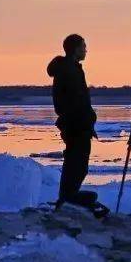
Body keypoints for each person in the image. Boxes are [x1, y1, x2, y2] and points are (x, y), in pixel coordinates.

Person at [47, 34, 108, 217]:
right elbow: (74, 101)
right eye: (83, 47)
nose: (86, 50)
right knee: (77, 165)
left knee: (76, 165)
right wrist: (85, 118)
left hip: (77, 125)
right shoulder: (68, 71)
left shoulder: (71, 69)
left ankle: (66, 198)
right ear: (75, 49)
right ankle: (67, 200)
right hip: (75, 126)